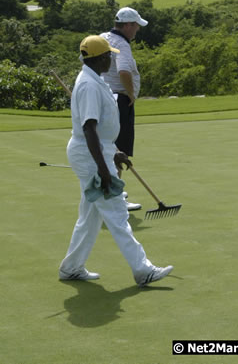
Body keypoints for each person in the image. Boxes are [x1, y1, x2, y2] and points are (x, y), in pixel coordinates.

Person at [59, 35, 173, 287]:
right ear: (99, 58)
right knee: (116, 213)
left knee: (90, 216)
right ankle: (143, 270)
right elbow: (89, 128)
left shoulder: (94, 79)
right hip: (90, 155)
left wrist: (113, 152)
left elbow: (99, 132)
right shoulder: (88, 85)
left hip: (97, 150)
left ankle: (71, 267)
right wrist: (104, 169)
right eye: (108, 55)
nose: (111, 58)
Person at [100, 7, 148, 211]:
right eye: (136, 25)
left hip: (103, 98)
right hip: (119, 101)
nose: (137, 29)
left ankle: (110, 189)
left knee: (109, 148)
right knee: (118, 151)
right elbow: (124, 71)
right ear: (128, 25)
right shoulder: (122, 45)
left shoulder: (103, 38)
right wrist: (131, 94)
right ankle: (114, 198)